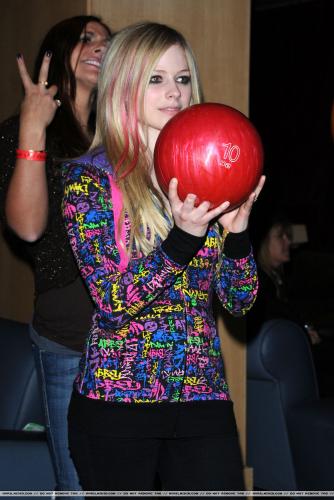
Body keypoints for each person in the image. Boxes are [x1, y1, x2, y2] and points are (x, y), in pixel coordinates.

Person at [62, 21, 265, 493]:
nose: (173, 92)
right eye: (155, 78)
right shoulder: (90, 181)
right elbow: (113, 301)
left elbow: (238, 303)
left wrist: (236, 237)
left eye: (182, 77)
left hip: (202, 399)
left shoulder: (213, 171)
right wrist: (184, 237)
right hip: (117, 402)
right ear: (123, 85)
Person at [0, 15, 112, 493]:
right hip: (69, 336)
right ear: (59, 49)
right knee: (79, 484)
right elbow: (27, 228)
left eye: (109, 42)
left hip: (133, 332)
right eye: (87, 38)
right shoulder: (23, 128)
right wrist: (33, 128)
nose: (100, 47)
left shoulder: (123, 131)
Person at [248, 212, 334, 397]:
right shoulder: (259, 283)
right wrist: (303, 332)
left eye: (288, 236)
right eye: (280, 236)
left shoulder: (280, 280)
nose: (288, 242)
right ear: (263, 241)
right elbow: (274, 317)